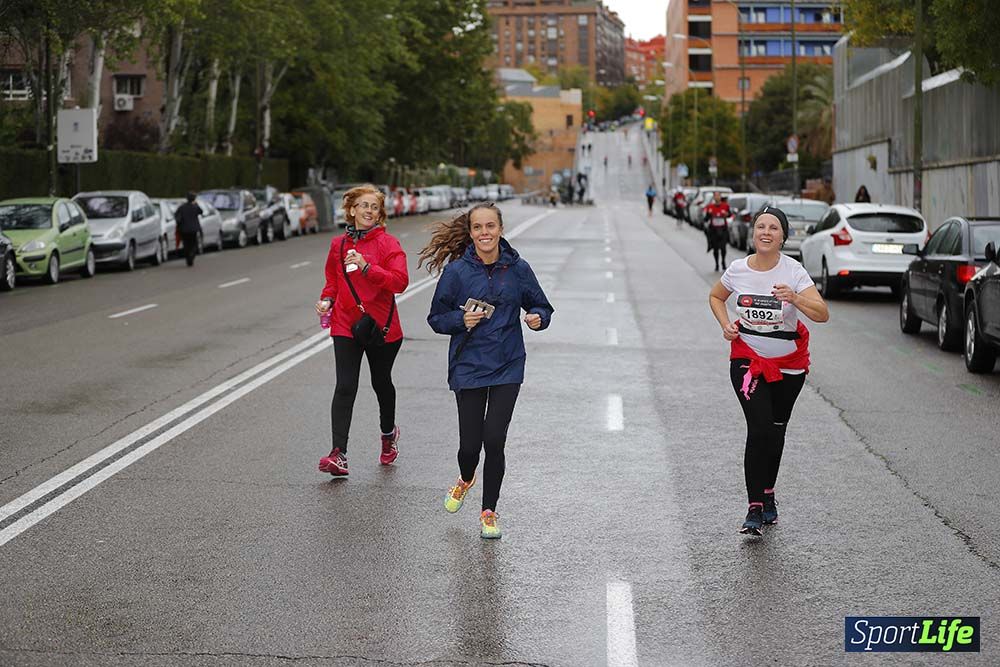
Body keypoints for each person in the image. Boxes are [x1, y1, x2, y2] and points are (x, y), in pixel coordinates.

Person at [421, 202, 554, 539]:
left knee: (494, 440)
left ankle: (489, 511)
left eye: (490, 226)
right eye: (478, 227)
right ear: (470, 232)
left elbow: (541, 305)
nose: (485, 233)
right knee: (470, 447)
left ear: (500, 229)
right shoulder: (457, 272)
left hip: (508, 363)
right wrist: (460, 320)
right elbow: (436, 318)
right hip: (468, 365)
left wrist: (538, 319)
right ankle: (466, 478)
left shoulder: (518, 269)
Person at [708, 206, 829, 536]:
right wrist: (726, 325)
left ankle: (769, 493)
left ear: (783, 237)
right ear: (753, 233)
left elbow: (822, 314)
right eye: (760, 226)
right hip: (748, 360)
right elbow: (716, 297)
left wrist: (795, 298)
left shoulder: (794, 272)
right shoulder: (738, 269)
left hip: (789, 367)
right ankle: (754, 506)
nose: (765, 232)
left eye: (773, 228)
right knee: (759, 427)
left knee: (775, 431)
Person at [315, 184, 409, 478]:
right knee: (345, 386)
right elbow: (333, 279)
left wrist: (368, 268)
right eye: (364, 205)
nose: (369, 211)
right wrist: (327, 299)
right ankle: (338, 454)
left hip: (381, 326)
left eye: (375, 207)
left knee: (381, 383)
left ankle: (387, 434)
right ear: (352, 209)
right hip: (345, 322)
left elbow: (400, 282)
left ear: (380, 214)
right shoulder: (338, 245)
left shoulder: (388, 244)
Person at [703, 192, 732, 271]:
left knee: (723, 248)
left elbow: (730, 214)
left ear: (720, 197)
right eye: (715, 196)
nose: (717, 197)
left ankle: (723, 262)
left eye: (718, 196)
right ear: (713, 197)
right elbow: (705, 219)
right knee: (715, 248)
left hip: (723, 229)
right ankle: (716, 264)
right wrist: (709, 214)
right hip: (714, 230)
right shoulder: (710, 207)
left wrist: (726, 214)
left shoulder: (725, 206)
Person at [174, 193, 203, 267]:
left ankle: (188, 257)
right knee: (194, 244)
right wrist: (196, 204)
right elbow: (201, 211)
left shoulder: (182, 207)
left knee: (186, 244)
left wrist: (179, 225)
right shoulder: (195, 207)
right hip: (193, 229)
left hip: (184, 229)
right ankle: (191, 256)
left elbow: (177, 217)